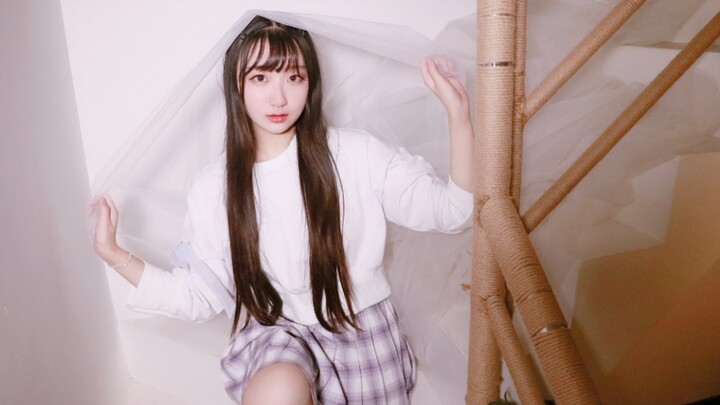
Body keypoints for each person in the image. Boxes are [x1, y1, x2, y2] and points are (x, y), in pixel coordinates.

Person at [91, 15, 473, 405]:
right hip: (276, 335)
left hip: (361, 336)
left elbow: (452, 211)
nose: (279, 98)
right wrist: (114, 255)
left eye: (293, 77)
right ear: (236, 84)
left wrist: (458, 115)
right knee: (278, 389)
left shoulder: (357, 154)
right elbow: (198, 296)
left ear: (311, 82)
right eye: (260, 78)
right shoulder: (215, 187)